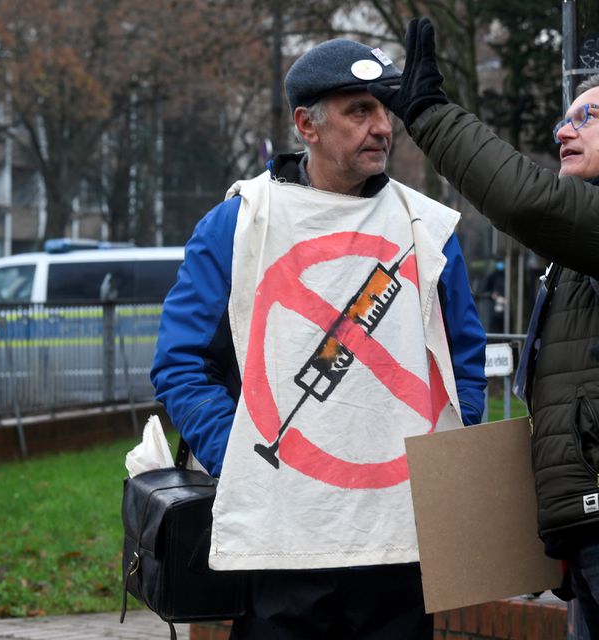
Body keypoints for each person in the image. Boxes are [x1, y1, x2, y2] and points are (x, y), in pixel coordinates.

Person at [369, 19, 599, 639]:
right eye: (564, 119)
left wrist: (429, 113)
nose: (564, 130)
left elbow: (529, 201)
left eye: (588, 116)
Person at [151, 37, 487, 640]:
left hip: (399, 541)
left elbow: (462, 360)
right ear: (307, 124)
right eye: (359, 111)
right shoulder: (239, 223)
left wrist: (443, 465)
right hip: (282, 543)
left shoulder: (428, 229)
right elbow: (180, 364)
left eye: (385, 109)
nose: (382, 126)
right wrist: (243, 459)